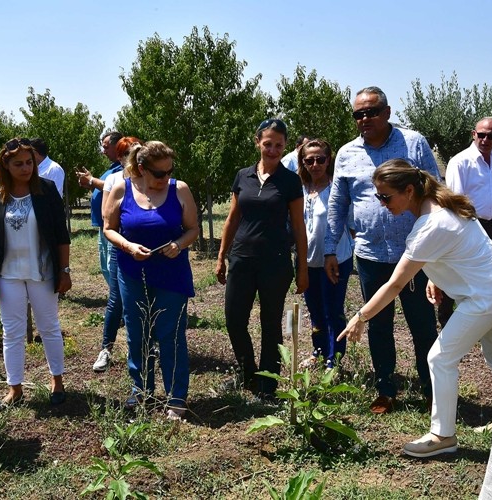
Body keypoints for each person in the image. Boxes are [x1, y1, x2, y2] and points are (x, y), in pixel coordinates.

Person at [339, 159, 492, 458]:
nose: (382, 204)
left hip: (484, 296)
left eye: (386, 196)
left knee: (439, 357)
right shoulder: (441, 204)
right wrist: (436, 277)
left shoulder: (431, 224)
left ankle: (443, 436)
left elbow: (395, 285)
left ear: (408, 190)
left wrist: (361, 316)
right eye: (378, 197)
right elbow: (465, 249)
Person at [325, 86, 440, 414]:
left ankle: (432, 388)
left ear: (387, 112)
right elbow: (338, 203)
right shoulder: (347, 154)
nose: (365, 119)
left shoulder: (412, 143)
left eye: (372, 112)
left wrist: (434, 243)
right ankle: (386, 389)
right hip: (370, 254)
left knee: (422, 323)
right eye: (358, 114)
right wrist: (331, 248)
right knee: (378, 322)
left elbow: (433, 190)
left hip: (414, 253)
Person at [103, 141, 198, 420]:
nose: (166, 178)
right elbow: (109, 229)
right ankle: (141, 391)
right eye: (159, 174)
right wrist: (128, 247)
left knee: (171, 335)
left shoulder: (179, 190)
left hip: (171, 274)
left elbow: (192, 228)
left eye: (170, 171)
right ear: (141, 169)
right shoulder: (122, 189)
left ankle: (176, 398)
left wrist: (179, 245)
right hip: (133, 274)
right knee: (138, 334)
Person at [216, 119, 309, 398]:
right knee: (234, 320)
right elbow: (232, 219)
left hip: (275, 262)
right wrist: (222, 255)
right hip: (242, 259)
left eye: (279, 145)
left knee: (270, 325)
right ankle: (248, 375)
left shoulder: (291, 182)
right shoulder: (242, 175)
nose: (273, 150)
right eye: (268, 144)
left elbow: (299, 227)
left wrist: (301, 268)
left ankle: (268, 384)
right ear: (258, 141)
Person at [0, 138, 72, 414]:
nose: (26, 168)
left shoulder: (46, 189)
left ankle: (57, 381)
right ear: (5, 165)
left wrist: (64, 270)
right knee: (12, 332)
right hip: (7, 274)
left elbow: (61, 235)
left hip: (42, 271)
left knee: (49, 327)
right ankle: (14, 388)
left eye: (29, 162)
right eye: (18, 163)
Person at [438, 117, 492, 326]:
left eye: (491, 136)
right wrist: (465, 229)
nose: (485, 139)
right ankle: (446, 320)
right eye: (481, 134)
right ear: (474, 134)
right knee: (458, 272)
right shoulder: (460, 162)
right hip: (468, 224)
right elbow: (456, 199)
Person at [297, 139, 353, 369]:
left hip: (336, 259)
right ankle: (318, 352)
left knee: (333, 310)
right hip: (309, 261)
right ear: (303, 162)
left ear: (329, 160)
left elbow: (349, 225)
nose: (315, 164)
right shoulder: (300, 190)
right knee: (315, 311)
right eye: (309, 160)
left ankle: (335, 359)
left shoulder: (337, 190)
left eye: (320, 159)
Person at [92, 136, 143, 372]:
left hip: (147, 248)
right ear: (121, 158)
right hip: (121, 247)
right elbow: (107, 217)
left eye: (136, 152)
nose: (133, 157)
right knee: (117, 299)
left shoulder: (150, 180)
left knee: (147, 298)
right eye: (127, 154)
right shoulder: (113, 180)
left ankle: (149, 346)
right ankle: (106, 348)